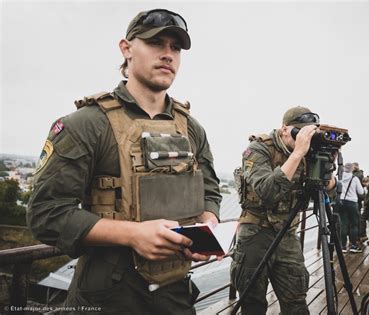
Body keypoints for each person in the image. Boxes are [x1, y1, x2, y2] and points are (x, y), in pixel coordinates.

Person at [27, 9, 222, 314]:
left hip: (175, 293)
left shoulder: (191, 127)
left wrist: (209, 224)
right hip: (108, 295)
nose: (168, 54)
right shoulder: (86, 124)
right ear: (127, 48)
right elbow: (45, 213)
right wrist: (133, 235)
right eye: (156, 42)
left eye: (175, 47)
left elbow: (210, 188)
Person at [231, 106, 335, 315]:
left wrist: (327, 171)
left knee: (296, 300)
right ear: (285, 130)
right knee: (252, 303)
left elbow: (326, 193)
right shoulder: (258, 149)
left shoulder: (309, 153)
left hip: (287, 234)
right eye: (301, 133)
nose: (305, 140)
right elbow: (267, 191)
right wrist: (297, 154)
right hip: (255, 233)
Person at [339, 163, 364, 253]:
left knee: (343, 223)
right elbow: (361, 192)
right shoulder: (355, 178)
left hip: (342, 202)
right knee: (354, 224)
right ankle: (353, 246)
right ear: (352, 169)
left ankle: (342, 246)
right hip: (352, 203)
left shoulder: (340, 177)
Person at [352, 162, 366, 242]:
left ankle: (358, 236)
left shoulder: (357, 175)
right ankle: (359, 235)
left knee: (356, 218)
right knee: (357, 217)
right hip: (357, 199)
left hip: (356, 199)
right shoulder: (360, 174)